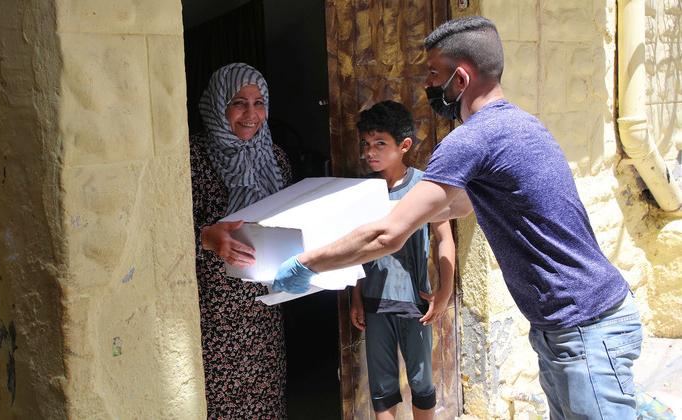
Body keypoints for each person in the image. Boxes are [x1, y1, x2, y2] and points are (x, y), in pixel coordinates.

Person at [272, 16, 642, 419]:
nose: (427, 83)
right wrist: (364, 216)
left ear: (461, 79)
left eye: (433, 73)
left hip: (584, 328)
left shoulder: (470, 140)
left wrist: (305, 263)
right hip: (573, 324)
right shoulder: (520, 124)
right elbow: (459, 205)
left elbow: (388, 236)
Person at [190, 62, 290, 419]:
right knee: (220, 399)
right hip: (214, 307)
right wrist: (206, 237)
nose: (251, 114)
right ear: (219, 104)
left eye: (259, 103)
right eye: (238, 103)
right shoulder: (192, 157)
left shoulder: (276, 159)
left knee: (264, 394)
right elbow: (161, 229)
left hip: (264, 303)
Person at [351, 101, 455, 419]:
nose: (370, 152)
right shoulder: (362, 191)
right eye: (366, 144)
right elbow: (355, 249)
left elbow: (445, 238)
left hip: (415, 303)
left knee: (421, 382)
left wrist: (444, 292)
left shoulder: (424, 187)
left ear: (404, 145)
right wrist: (356, 296)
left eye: (380, 144)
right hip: (374, 301)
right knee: (382, 388)